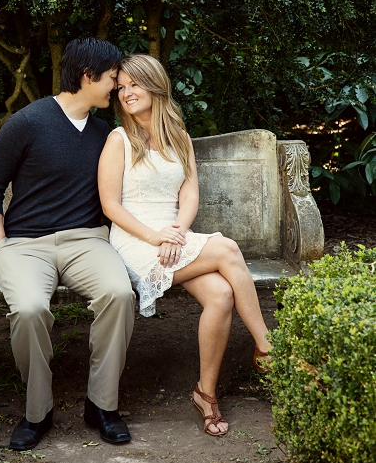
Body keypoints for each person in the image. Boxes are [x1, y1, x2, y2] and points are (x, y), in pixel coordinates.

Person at [98, 53, 273, 437]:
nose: (126, 93)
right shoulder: (119, 140)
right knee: (226, 249)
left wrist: (177, 229)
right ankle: (268, 350)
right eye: (121, 87)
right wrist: (155, 235)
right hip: (135, 240)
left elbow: (190, 190)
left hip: (174, 235)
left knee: (222, 295)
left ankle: (204, 393)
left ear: (155, 85)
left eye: (134, 85)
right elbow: (110, 205)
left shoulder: (178, 135)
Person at [0, 36, 136, 450]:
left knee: (119, 294)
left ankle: (102, 406)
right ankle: (38, 411)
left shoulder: (106, 133)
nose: (117, 88)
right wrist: (1, 248)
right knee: (29, 310)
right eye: (113, 80)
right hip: (26, 244)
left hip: (86, 240)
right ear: (87, 76)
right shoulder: (27, 123)